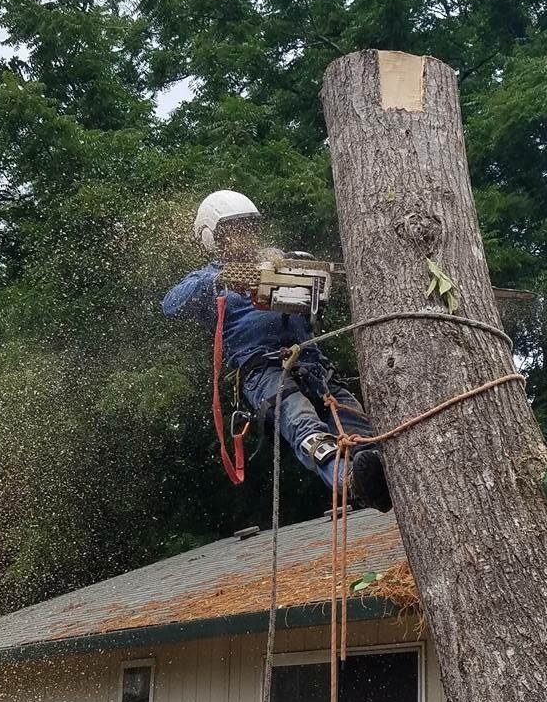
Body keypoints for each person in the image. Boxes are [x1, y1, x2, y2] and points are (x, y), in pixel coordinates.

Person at [162, 189, 391, 512]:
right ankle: (348, 480)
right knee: (303, 424)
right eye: (235, 231)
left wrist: (290, 265)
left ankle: (384, 479)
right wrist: (219, 280)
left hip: (312, 364)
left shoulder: (276, 263)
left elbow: (313, 272)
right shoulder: (208, 279)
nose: (246, 238)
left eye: (249, 229)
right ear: (214, 238)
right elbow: (170, 304)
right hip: (264, 372)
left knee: (361, 427)